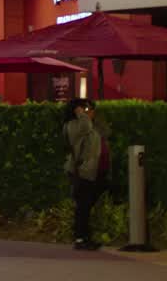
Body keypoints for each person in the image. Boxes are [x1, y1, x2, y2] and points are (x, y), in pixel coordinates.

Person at [63, 98, 110, 250]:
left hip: (96, 171)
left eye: (91, 109)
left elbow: (106, 132)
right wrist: (81, 113)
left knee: (87, 205)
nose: (91, 112)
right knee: (83, 206)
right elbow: (85, 127)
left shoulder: (91, 125)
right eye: (87, 109)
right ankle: (80, 238)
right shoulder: (73, 125)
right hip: (83, 171)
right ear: (77, 111)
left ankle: (85, 236)